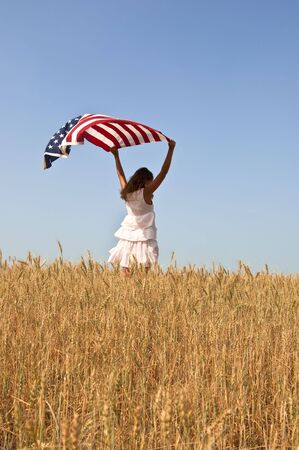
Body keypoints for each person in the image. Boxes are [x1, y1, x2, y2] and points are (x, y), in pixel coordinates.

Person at [108, 140, 176, 275]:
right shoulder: (147, 192)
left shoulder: (126, 194)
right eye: (151, 180)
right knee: (142, 279)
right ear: (146, 181)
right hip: (144, 238)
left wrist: (116, 156)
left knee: (125, 275)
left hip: (127, 238)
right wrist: (171, 149)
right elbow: (164, 172)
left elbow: (120, 174)